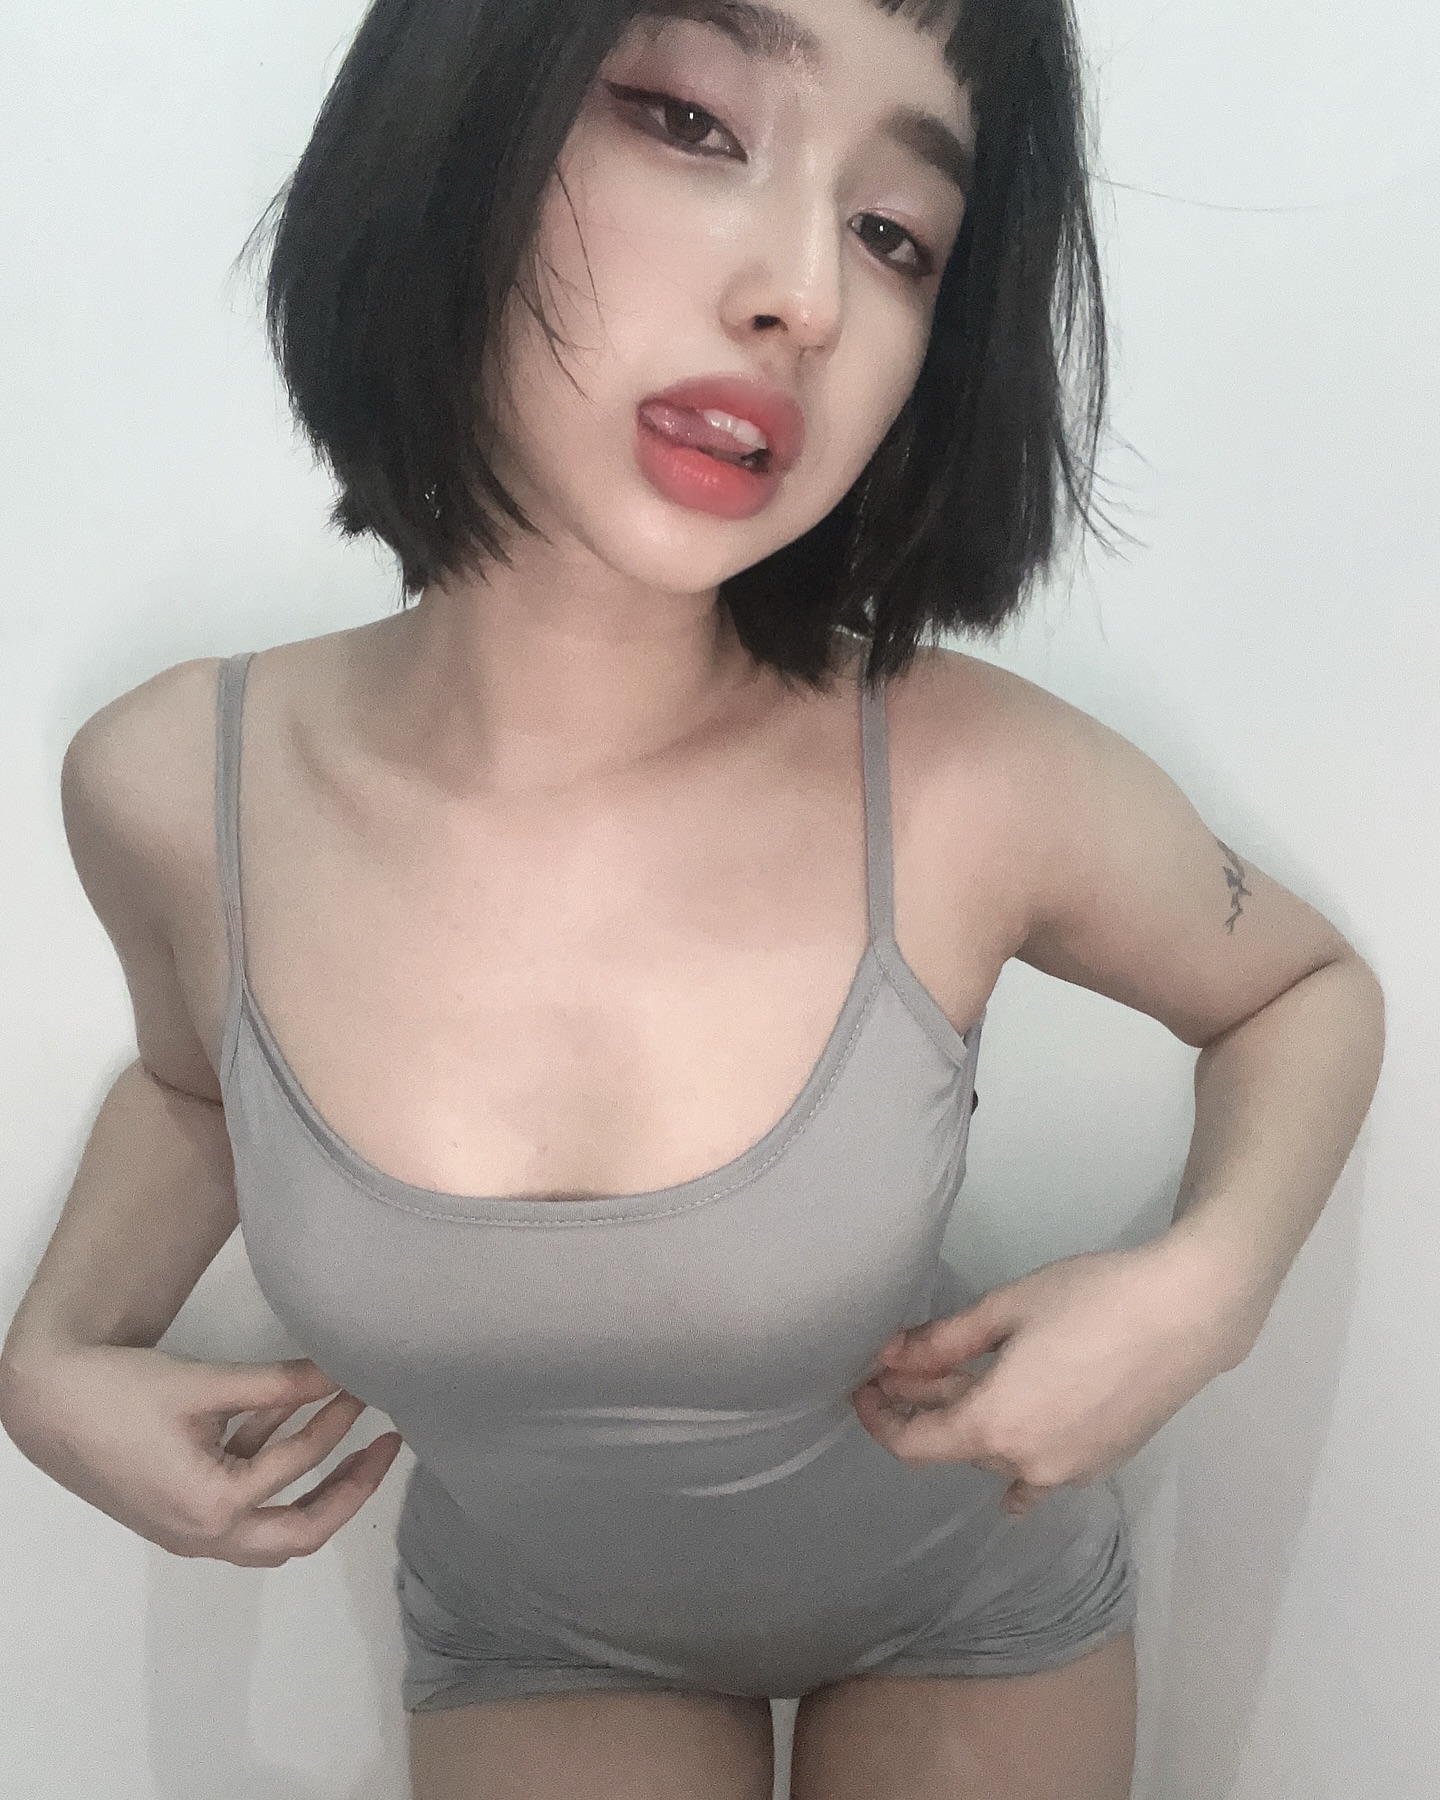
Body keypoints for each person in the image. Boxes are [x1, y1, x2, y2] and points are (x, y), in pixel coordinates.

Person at [0, 2, 1386, 1797]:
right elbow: (201, 1086)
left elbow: (1301, 991)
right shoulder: (170, 791)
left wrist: (1206, 1287)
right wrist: (50, 1361)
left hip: (962, 1592)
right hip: (541, 1635)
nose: (805, 295)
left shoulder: (967, 781)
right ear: (456, 123)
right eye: (686, 119)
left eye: (895, 234)